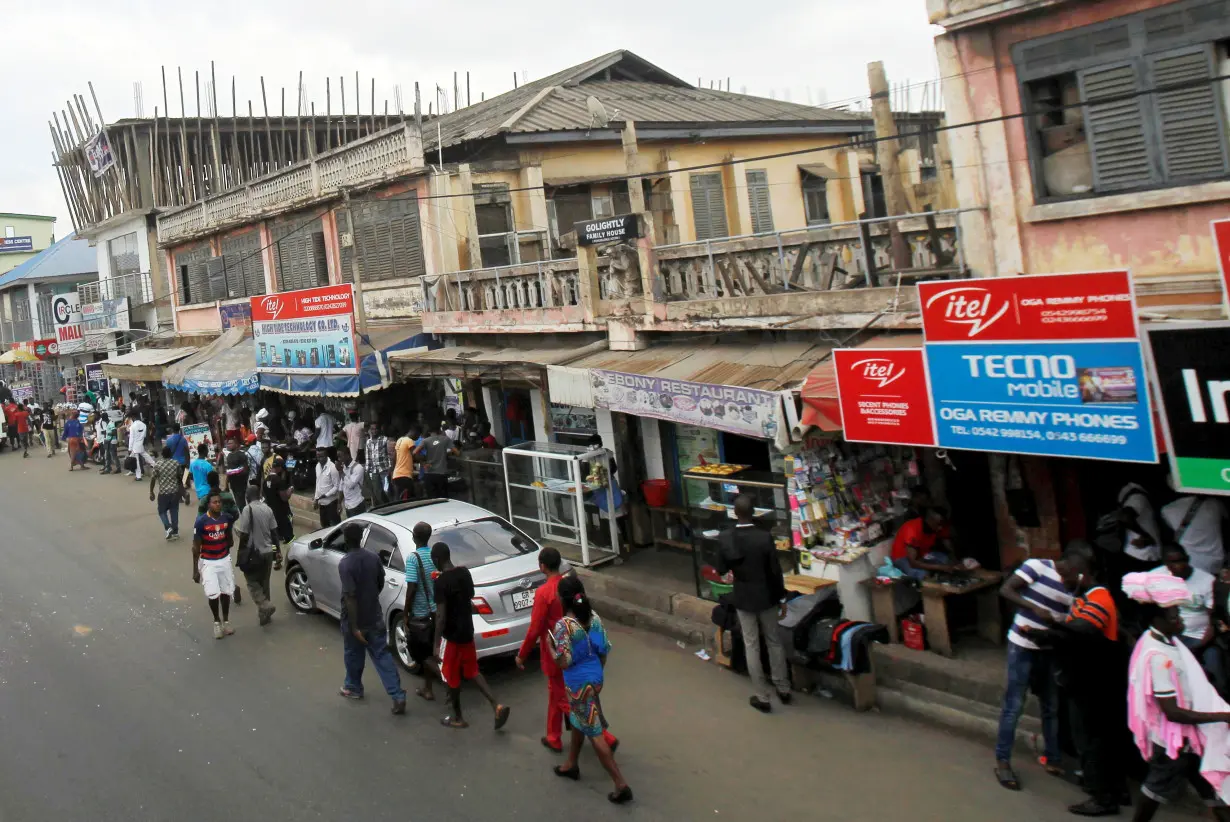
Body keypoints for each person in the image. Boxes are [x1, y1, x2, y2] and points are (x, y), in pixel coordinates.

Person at [1024, 541, 1126, 816]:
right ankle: (1111, 790)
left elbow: (1082, 630)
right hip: (1085, 682)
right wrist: (1046, 637)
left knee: (1092, 741)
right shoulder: (1083, 598)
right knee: (1095, 740)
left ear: (1080, 574)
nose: (1062, 580)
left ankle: (1103, 798)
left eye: (1066, 575)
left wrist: (1052, 625)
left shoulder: (1099, 599)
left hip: (1096, 684)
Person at [1122, 571, 1230, 822]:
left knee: (1212, 789)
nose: (1180, 620)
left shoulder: (1164, 641)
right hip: (1173, 742)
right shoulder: (1159, 657)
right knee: (1155, 791)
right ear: (1158, 620)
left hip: (1186, 739)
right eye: (1175, 616)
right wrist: (1223, 715)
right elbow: (1173, 712)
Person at [994, 547, 1088, 790]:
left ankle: (1053, 757)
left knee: (1051, 706)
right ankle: (1003, 761)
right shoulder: (1037, 566)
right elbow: (1006, 590)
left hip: (1048, 648)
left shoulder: (1076, 585)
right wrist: (1033, 608)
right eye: (1077, 572)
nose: (1079, 578)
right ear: (1068, 564)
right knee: (1014, 705)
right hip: (1022, 644)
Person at [518, 546, 618, 753]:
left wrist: (522, 655)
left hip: (557, 651)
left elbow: (535, 628)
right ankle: (553, 736)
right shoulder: (569, 586)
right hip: (580, 648)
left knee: (565, 699)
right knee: (556, 695)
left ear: (542, 566)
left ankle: (604, 737)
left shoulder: (544, 593)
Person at [548, 574, 632, 803]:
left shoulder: (563, 625)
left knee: (594, 733)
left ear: (562, 598)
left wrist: (550, 648)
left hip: (578, 685)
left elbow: (563, 661)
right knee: (579, 717)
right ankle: (571, 764)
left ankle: (620, 783)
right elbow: (604, 649)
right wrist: (596, 674)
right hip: (595, 679)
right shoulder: (594, 618)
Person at [714, 494, 790, 714]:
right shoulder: (764, 538)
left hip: (743, 596)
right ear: (754, 512)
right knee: (774, 640)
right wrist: (782, 598)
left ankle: (762, 696)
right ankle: (783, 687)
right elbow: (775, 572)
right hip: (766, 595)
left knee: (752, 644)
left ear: (735, 513)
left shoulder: (727, 537)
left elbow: (721, 568)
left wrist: (730, 573)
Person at [432, 541, 511, 730]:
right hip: (467, 631)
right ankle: (496, 705)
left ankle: (457, 717)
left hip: (452, 636)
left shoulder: (440, 583)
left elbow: (441, 616)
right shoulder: (464, 573)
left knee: (451, 676)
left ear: (436, 559)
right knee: (473, 671)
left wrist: (436, 644)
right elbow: (469, 595)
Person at [337, 524, 406, 714]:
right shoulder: (373, 557)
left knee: (353, 653)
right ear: (360, 538)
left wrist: (354, 626)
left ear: (346, 540)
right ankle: (397, 695)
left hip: (355, 619)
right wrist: (371, 596)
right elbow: (380, 581)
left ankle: (353, 687)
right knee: (382, 655)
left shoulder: (345, 564)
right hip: (374, 615)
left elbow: (350, 597)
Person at [1156, 544, 1226, 696]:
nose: (1179, 566)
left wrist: (1197, 647)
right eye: (1173, 563)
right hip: (1172, 639)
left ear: (1188, 559)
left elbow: (1213, 621)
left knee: (1218, 680)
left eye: (1181, 561)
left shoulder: (1206, 581)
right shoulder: (1156, 578)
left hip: (1202, 639)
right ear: (1166, 564)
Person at [401, 522, 440, 701]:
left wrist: (405, 613)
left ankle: (448, 680)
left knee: (421, 654)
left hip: (421, 613)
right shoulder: (434, 556)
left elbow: (412, 587)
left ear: (414, 536)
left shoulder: (412, 558)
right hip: (436, 612)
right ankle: (428, 688)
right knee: (431, 650)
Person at [234, 486, 281, 626]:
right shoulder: (268, 509)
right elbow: (274, 533)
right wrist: (277, 551)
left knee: (252, 583)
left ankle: (266, 606)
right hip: (268, 553)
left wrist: (241, 551)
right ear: (259, 495)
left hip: (254, 554)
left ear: (247, 497)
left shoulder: (247, 510)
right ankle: (264, 617)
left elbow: (244, 534)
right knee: (264, 585)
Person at [193, 492, 237, 640]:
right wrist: (196, 570)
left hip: (224, 560)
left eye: (219, 502)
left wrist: (226, 544)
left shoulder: (226, 519)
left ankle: (226, 620)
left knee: (225, 592)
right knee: (213, 594)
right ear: (208, 505)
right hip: (208, 562)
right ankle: (216, 621)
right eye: (214, 502)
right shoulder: (201, 522)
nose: (217, 504)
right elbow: (195, 547)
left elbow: (229, 540)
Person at [1161, 494, 1228, 576]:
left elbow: (1169, 531)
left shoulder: (1166, 509)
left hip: (1190, 560)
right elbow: (1225, 519)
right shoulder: (1215, 503)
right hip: (1215, 559)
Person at [890, 506, 957, 580]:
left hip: (922, 554)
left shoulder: (937, 525)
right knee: (923, 574)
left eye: (941, 524)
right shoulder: (912, 529)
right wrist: (939, 567)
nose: (940, 528)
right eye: (938, 524)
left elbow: (946, 542)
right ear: (930, 520)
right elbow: (913, 563)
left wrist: (954, 560)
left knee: (946, 559)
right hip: (903, 557)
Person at [149, 445, 185, 541]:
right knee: (174, 511)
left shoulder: (158, 465)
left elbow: (153, 479)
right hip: (174, 492)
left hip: (163, 493)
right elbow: (180, 477)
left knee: (161, 511)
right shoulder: (176, 463)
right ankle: (175, 532)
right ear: (171, 454)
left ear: (162, 454)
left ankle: (168, 527)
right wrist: (183, 491)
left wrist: (151, 492)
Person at [414, 423, 458, 499]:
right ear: (439, 430)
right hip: (441, 474)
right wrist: (446, 453)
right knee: (443, 499)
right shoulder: (445, 439)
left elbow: (414, 452)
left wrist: (423, 462)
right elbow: (457, 453)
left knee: (432, 500)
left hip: (428, 474)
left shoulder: (425, 441)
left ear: (429, 431)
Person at [262, 456, 294, 543]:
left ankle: (278, 538)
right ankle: (289, 539)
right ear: (279, 468)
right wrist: (290, 491)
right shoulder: (278, 480)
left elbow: (264, 494)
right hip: (281, 509)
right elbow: (284, 497)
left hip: (271, 508)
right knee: (285, 523)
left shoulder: (266, 480)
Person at [365, 422, 391, 506]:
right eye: (372, 429)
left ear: (379, 430)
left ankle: (390, 505)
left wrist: (390, 467)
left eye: (376, 429)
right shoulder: (368, 442)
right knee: (377, 491)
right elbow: (368, 457)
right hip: (374, 470)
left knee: (387, 490)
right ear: (370, 430)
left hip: (384, 469)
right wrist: (367, 470)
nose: (374, 431)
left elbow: (389, 454)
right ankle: (383, 506)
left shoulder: (384, 439)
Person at [314, 447, 341, 527]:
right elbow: (317, 483)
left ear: (326, 456)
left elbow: (337, 486)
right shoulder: (317, 466)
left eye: (322, 456)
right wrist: (316, 499)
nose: (320, 459)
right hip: (321, 503)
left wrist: (326, 495)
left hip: (331, 503)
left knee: (335, 526)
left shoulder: (332, 467)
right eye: (318, 456)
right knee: (324, 526)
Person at [221, 436, 250, 511]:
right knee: (238, 503)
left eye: (231, 443)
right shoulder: (229, 456)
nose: (228, 445)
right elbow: (228, 471)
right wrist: (226, 484)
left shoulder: (241, 455)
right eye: (228, 444)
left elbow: (246, 470)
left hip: (241, 483)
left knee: (241, 503)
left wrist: (237, 472)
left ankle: (246, 518)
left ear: (236, 444)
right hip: (233, 484)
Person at [339, 449, 367, 518]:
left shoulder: (358, 468)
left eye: (340, 457)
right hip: (348, 505)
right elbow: (341, 486)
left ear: (347, 455)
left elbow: (350, 485)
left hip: (357, 504)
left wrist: (341, 472)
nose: (339, 459)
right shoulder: (344, 468)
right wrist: (339, 503)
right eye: (338, 457)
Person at [392, 426, 416, 501]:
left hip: (396, 474)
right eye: (417, 436)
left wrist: (392, 472)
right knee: (407, 500)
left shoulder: (399, 440)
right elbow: (415, 454)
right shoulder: (409, 441)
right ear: (415, 432)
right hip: (405, 475)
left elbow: (394, 458)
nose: (417, 438)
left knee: (399, 499)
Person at [127, 411, 150, 481]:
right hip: (141, 444)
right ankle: (156, 467)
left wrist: (129, 448)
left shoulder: (132, 426)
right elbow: (145, 436)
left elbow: (131, 438)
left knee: (136, 461)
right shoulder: (143, 425)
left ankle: (138, 476)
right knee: (147, 457)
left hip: (135, 446)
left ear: (133, 417)